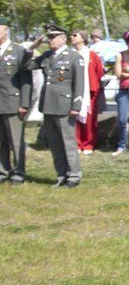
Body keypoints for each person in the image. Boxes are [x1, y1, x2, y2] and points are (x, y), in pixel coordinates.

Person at [28, 24, 84, 187]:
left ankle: (73, 176)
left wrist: (76, 106)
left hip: (65, 106)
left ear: (63, 39)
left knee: (68, 142)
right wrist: (31, 48)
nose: (50, 40)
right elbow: (27, 66)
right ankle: (61, 175)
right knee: (54, 143)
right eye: (49, 37)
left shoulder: (74, 57)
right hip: (48, 105)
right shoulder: (47, 56)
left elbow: (79, 83)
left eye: (53, 37)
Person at [0, 18, 32, 185]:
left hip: (13, 103)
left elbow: (26, 80)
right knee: (1, 142)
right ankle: (3, 171)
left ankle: (18, 173)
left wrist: (24, 104)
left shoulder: (19, 51)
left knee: (16, 141)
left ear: (6, 31)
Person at [71, 30, 105, 154]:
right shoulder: (70, 54)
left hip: (89, 91)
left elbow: (99, 72)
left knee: (90, 119)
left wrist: (92, 85)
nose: (72, 37)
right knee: (75, 118)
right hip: (72, 91)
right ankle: (77, 142)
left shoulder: (92, 55)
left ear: (83, 39)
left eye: (75, 35)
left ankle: (88, 144)